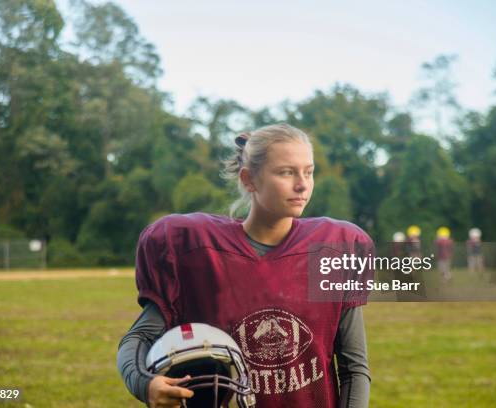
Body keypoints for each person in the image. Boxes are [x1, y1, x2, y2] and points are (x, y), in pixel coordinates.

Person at [117, 124, 373, 408]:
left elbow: (354, 367)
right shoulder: (194, 250)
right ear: (249, 179)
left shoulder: (332, 249)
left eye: (308, 172)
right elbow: (138, 338)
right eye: (286, 172)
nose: (302, 184)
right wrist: (145, 384)